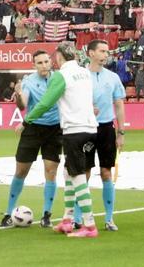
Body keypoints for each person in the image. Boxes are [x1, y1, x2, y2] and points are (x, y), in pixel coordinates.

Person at [19, 43, 100, 238]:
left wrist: (27, 120)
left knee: (77, 174)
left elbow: (46, 102)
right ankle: (67, 219)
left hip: (74, 130)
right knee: (67, 173)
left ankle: (89, 225)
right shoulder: (85, 73)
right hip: (90, 127)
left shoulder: (61, 75)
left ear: (59, 58)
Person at [3, 49, 61, 228]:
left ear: (51, 63)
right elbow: (22, 106)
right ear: (33, 65)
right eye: (40, 63)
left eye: (46, 62)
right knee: (21, 171)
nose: (44, 65)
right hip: (33, 128)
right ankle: (8, 212)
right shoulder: (28, 81)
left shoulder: (58, 79)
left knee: (51, 171)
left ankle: (46, 214)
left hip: (54, 129)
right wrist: (19, 95)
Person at [87, 40, 126, 231]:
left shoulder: (112, 77)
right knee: (82, 173)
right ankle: (80, 217)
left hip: (106, 128)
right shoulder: (81, 76)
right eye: (102, 51)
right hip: (85, 128)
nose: (105, 54)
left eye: (107, 51)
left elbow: (119, 105)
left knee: (106, 172)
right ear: (91, 53)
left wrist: (121, 132)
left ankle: (109, 218)